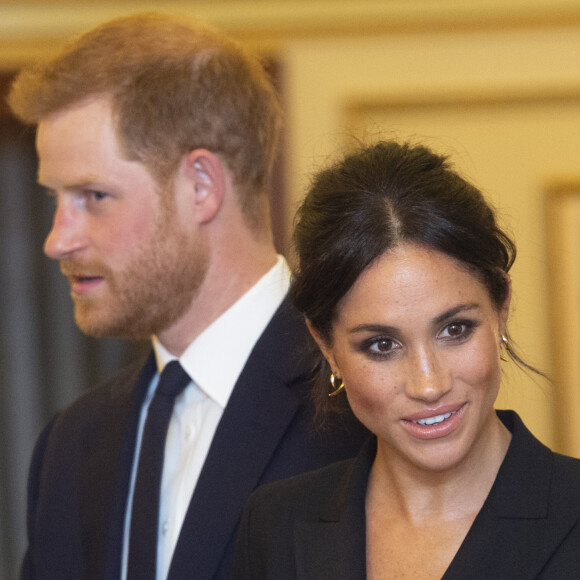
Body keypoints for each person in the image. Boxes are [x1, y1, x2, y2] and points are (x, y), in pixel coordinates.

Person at [8, 12, 369, 580]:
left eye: (94, 196)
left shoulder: (366, 404)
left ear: (201, 186)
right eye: (56, 199)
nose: (58, 240)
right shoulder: (70, 447)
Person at [234, 140, 580, 579]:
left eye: (455, 329)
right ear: (326, 346)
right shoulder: (275, 525)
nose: (429, 384)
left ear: (501, 308)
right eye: (382, 345)